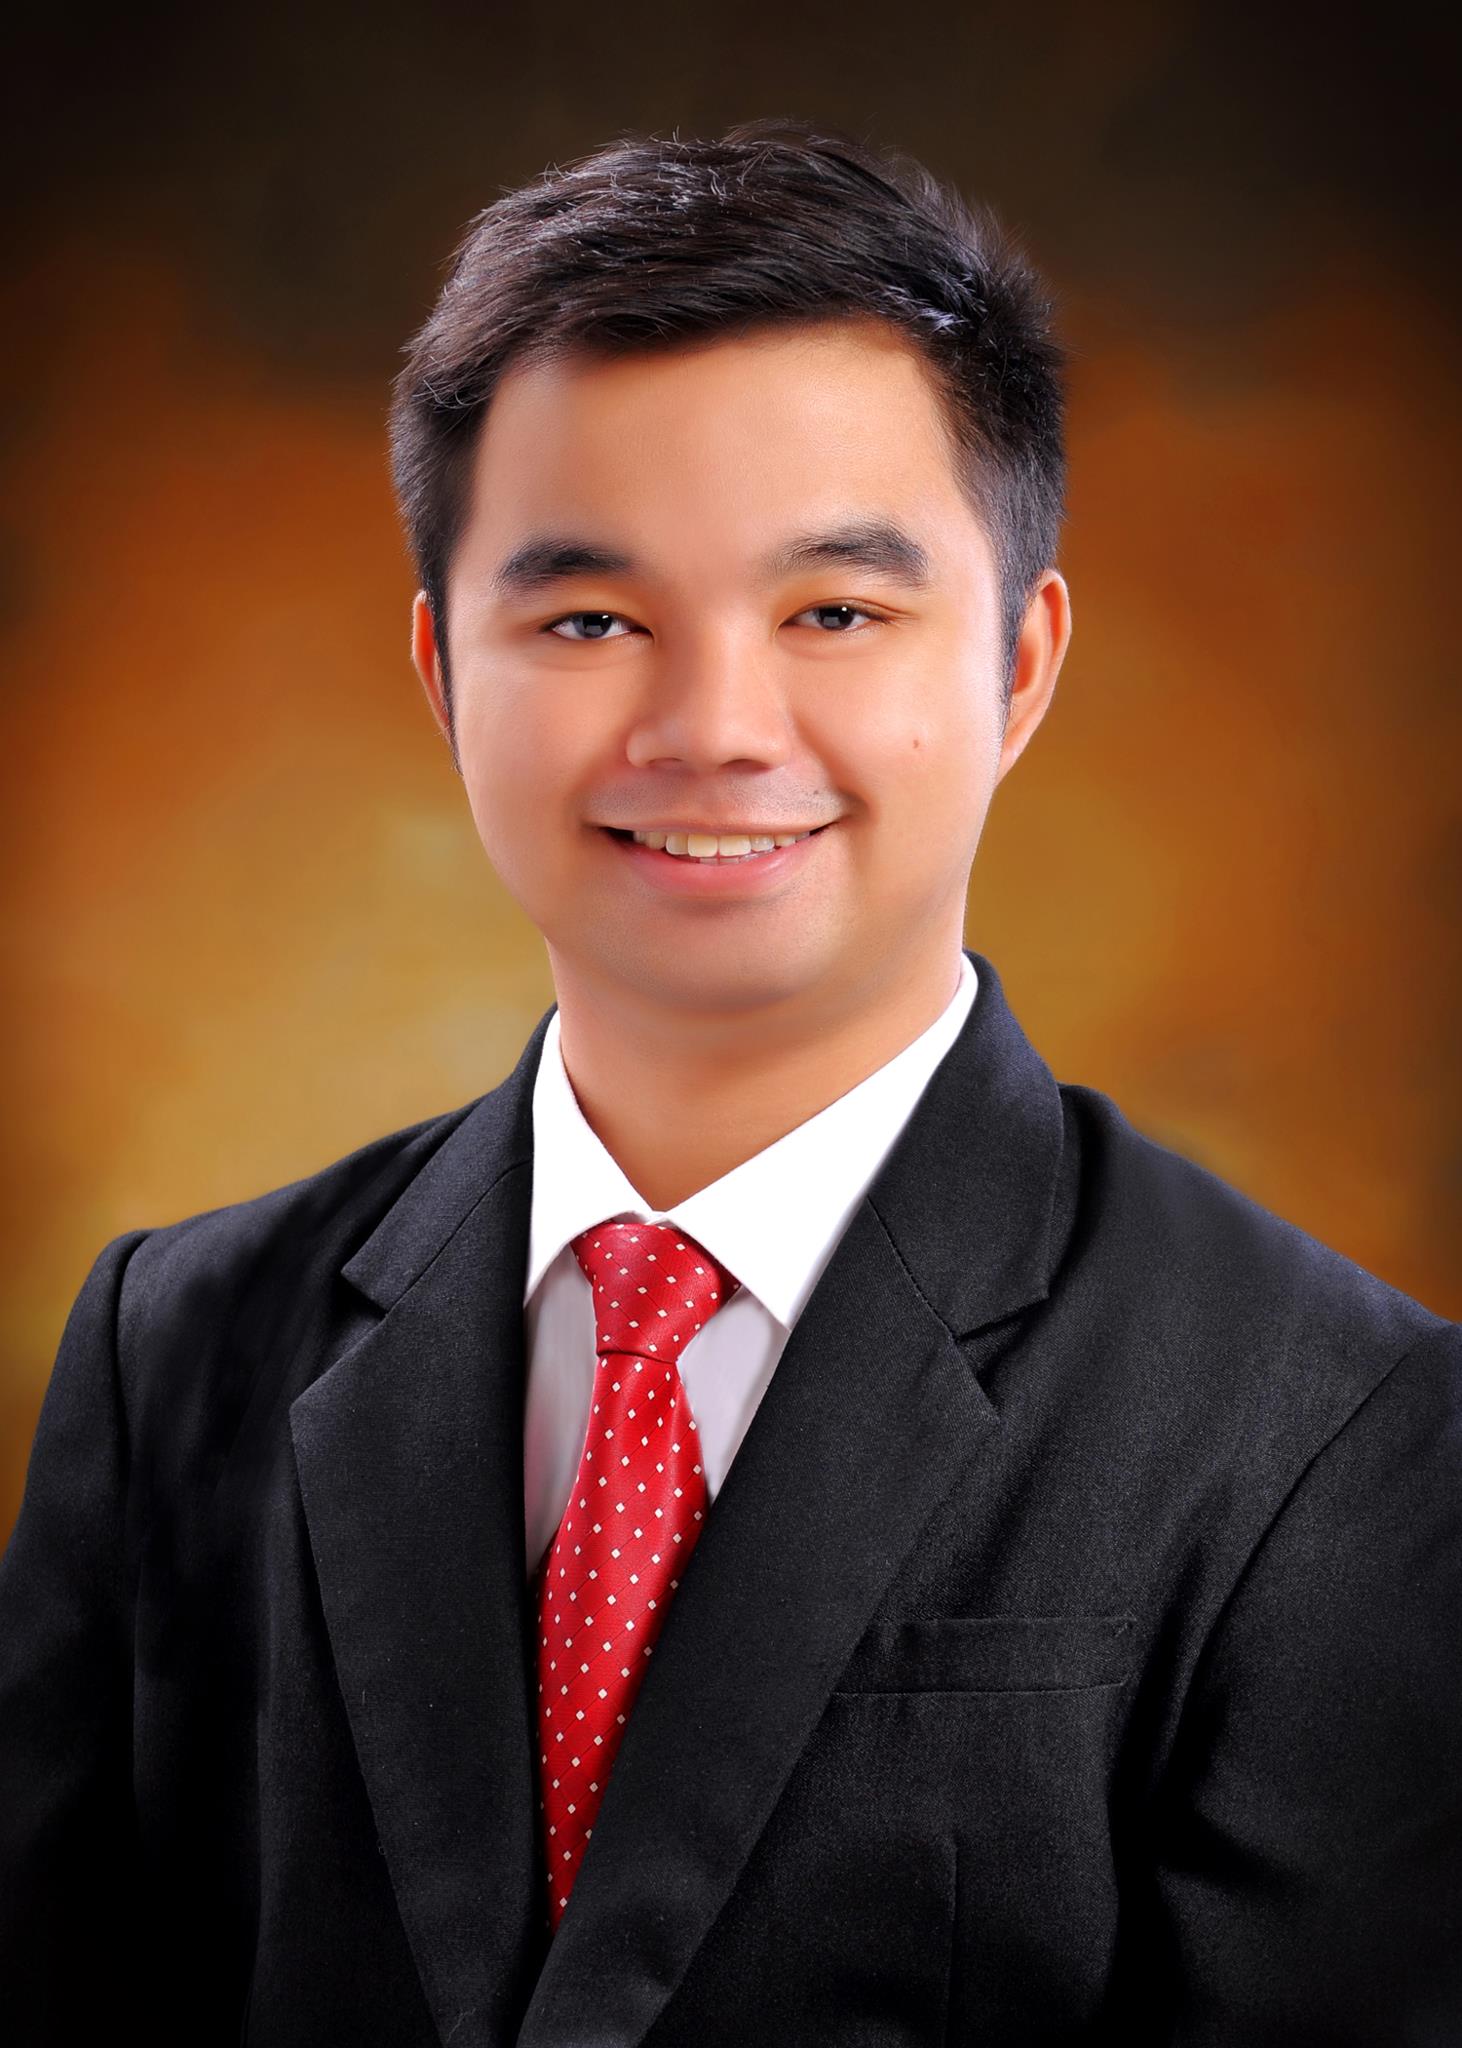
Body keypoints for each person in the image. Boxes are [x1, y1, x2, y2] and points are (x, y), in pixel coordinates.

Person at [1, 115, 1458, 2048]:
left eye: (833, 612)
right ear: (442, 674)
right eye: (590, 620)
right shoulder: (170, 1346)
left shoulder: (1338, 1429)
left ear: (1019, 665)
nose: (711, 730)